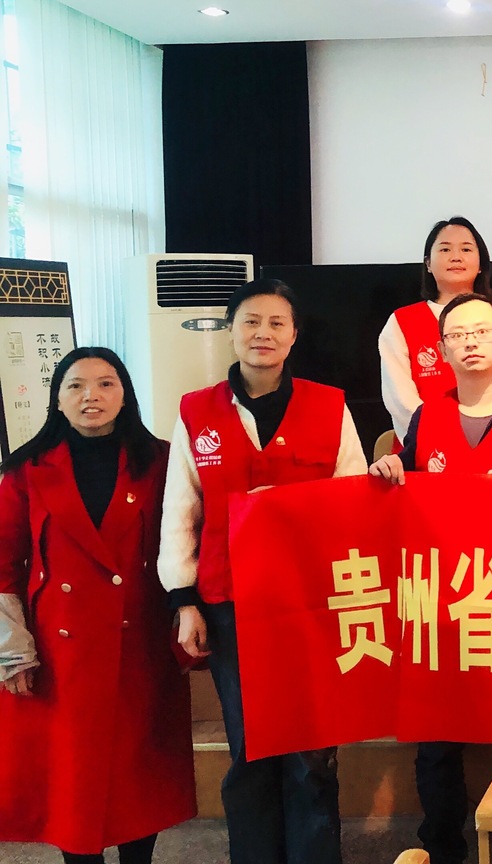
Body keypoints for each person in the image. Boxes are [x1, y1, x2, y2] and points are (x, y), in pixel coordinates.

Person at [161, 279, 366, 864]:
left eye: (277, 323)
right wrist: (184, 601)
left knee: (310, 747)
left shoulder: (329, 406)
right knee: (249, 746)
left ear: (294, 335)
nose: (263, 334)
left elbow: (352, 499)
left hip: (310, 601)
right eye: (251, 322)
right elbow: (181, 509)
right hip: (229, 601)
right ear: (231, 331)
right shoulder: (196, 411)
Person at [368, 293, 492, 864]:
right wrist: (390, 469)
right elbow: (408, 492)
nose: (471, 342)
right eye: (458, 335)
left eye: (483, 331)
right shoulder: (427, 416)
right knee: (437, 736)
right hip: (447, 602)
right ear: (442, 349)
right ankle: (442, 848)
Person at [0, 348, 194, 864]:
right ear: (57, 400)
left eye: (106, 384)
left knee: (139, 777)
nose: (92, 396)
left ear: (125, 395)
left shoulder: (161, 460)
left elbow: (187, 539)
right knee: (73, 781)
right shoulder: (25, 469)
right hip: (60, 650)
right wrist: (11, 650)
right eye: (76, 385)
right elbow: (2, 563)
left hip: (142, 641)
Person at [380, 216, 492, 440]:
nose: (456, 257)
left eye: (466, 249)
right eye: (445, 249)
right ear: (428, 264)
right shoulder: (401, 322)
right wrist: (444, 439)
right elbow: (400, 400)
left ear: (481, 263)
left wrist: (484, 435)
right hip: (426, 445)